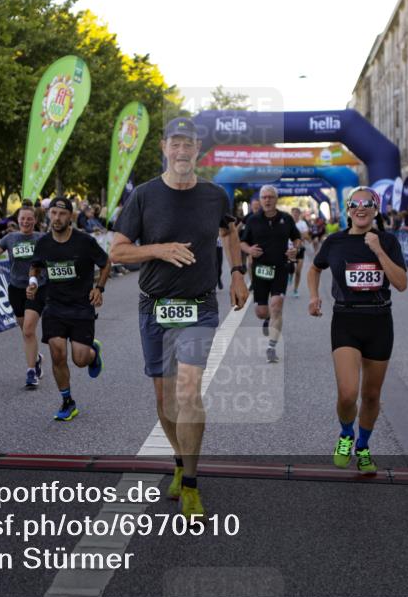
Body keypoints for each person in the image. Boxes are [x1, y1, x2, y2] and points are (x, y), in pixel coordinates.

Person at [110, 116, 249, 519]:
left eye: (189, 144)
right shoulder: (144, 197)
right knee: (165, 400)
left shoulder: (214, 196)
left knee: (189, 392)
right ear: (164, 148)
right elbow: (118, 252)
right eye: (176, 143)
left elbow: (230, 233)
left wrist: (237, 274)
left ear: (197, 149)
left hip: (199, 304)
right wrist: (159, 249)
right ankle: (177, 458)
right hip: (155, 305)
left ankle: (190, 484)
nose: (182, 151)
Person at [308, 186, 407, 474]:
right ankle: (346, 434)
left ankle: (363, 446)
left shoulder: (387, 241)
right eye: (354, 204)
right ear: (348, 209)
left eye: (367, 204)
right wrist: (314, 295)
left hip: (379, 320)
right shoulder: (335, 241)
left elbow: (401, 283)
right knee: (348, 394)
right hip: (346, 319)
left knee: (372, 395)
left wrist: (377, 250)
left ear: (376, 209)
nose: (360, 208)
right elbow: (315, 269)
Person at [27, 197, 110, 421]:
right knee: (57, 353)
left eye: (62, 214)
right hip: (54, 307)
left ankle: (93, 354)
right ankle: (67, 401)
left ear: (70, 217)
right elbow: (35, 266)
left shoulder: (84, 242)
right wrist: (33, 284)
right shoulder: (43, 243)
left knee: (80, 360)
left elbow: (106, 263)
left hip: (82, 307)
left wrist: (99, 288)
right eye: (53, 213)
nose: (56, 218)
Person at [0, 204, 46, 390]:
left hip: (36, 288)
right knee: (24, 328)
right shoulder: (10, 238)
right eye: (22, 218)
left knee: (28, 330)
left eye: (29, 218)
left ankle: (31, 372)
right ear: (18, 220)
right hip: (15, 288)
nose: (25, 221)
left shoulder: (42, 238)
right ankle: (37, 358)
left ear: (35, 221)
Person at [240, 185, 301, 363]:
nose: (267, 200)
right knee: (261, 311)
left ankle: (271, 347)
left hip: (280, 268)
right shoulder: (253, 220)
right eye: (264, 197)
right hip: (260, 271)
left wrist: (294, 249)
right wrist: (250, 249)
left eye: (270, 197)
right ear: (260, 199)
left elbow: (296, 238)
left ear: (276, 199)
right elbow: (242, 242)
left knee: (276, 304)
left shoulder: (286, 219)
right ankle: (267, 318)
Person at [289, 207, 310, 298]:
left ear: (299, 214)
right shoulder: (288, 223)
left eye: (297, 213)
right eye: (293, 213)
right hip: (289, 249)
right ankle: (290, 274)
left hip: (300, 249)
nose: (295, 215)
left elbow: (306, 236)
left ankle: (295, 289)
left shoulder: (303, 223)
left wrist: (297, 234)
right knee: (290, 269)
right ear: (291, 214)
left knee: (298, 271)